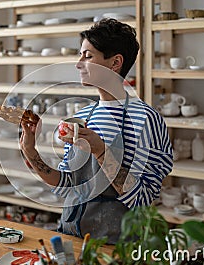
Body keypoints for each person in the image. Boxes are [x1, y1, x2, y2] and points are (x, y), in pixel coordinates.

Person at [20, 18, 173, 244]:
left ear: (115, 63)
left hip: (117, 246)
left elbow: (143, 199)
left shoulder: (145, 119)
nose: (78, 63)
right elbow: (66, 184)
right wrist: (30, 150)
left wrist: (101, 151)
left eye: (88, 56)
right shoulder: (82, 117)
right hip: (70, 236)